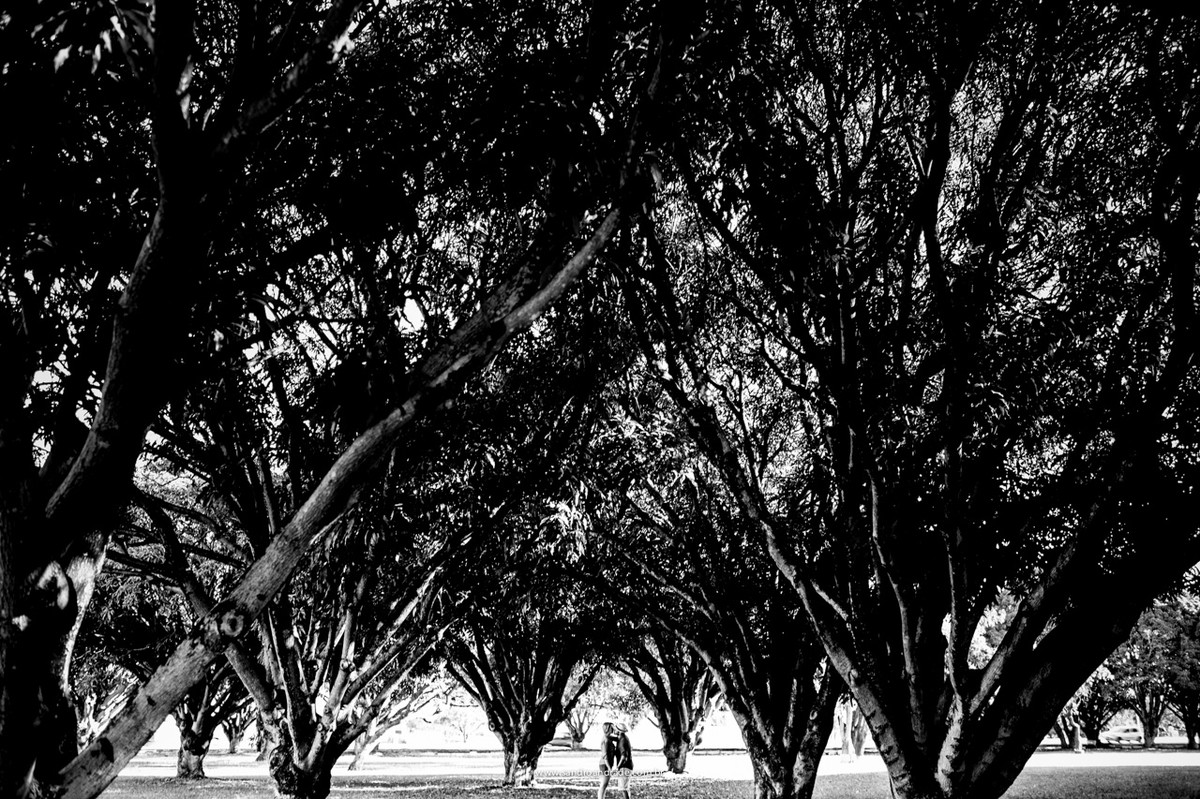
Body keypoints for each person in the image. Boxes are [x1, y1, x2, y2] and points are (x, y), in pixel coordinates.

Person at [598, 721, 633, 799]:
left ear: (619, 731)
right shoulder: (621, 738)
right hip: (606, 765)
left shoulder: (622, 740)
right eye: (612, 728)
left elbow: (624, 756)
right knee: (605, 784)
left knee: (623, 788)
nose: (614, 729)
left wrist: (617, 767)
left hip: (624, 766)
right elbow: (605, 756)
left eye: (615, 728)